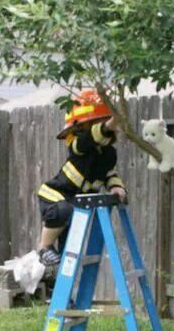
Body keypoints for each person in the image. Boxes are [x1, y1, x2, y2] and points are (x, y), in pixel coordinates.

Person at [37, 89, 127, 265]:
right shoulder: (79, 146)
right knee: (62, 210)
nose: (107, 128)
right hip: (56, 194)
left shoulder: (109, 154)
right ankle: (44, 247)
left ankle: (62, 284)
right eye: (99, 124)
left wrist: (117, 187)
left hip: (77, 201)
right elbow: (87, 139)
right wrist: (108, 125)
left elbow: (110, 173)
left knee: (68, 246)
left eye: (107, 123)